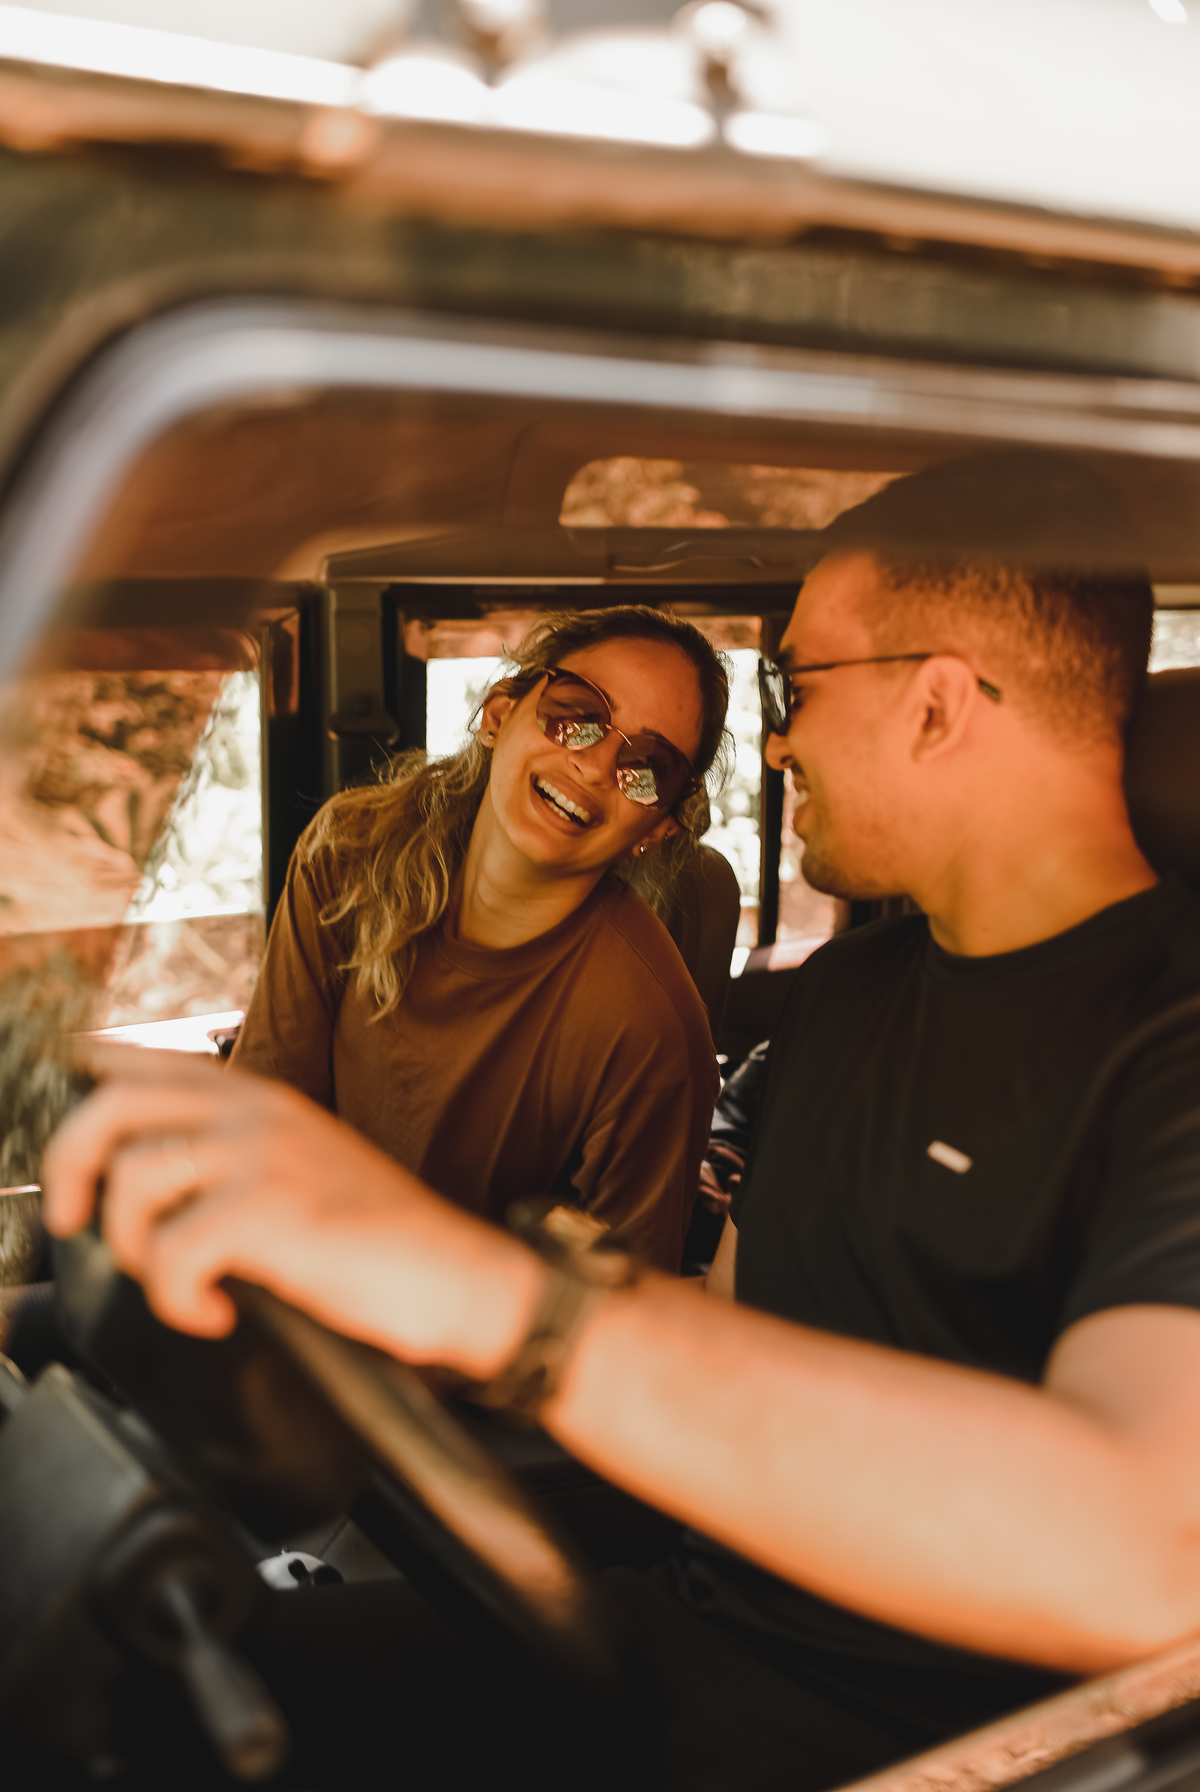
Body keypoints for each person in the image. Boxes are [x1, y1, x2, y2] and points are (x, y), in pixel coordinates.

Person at [44, 453, 1200, 1791]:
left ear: (936, 704)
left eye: (796, 686)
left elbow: (1159, 1542)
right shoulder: (849, 995)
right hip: (685, 1632)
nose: (778, 742)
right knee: (123, 1681)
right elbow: (730, 1334)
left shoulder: (1168, 1042)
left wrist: (502, 1302)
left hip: (933, 1744)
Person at [231, 606, 729, 1271]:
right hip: (283, 1276)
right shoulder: (350, 852)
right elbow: (265, 1116)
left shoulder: (651, 1030)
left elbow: (618, 1315)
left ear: (656, 828)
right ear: (499, 714)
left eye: (647, 768)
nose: (594, 764)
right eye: (577, 713)